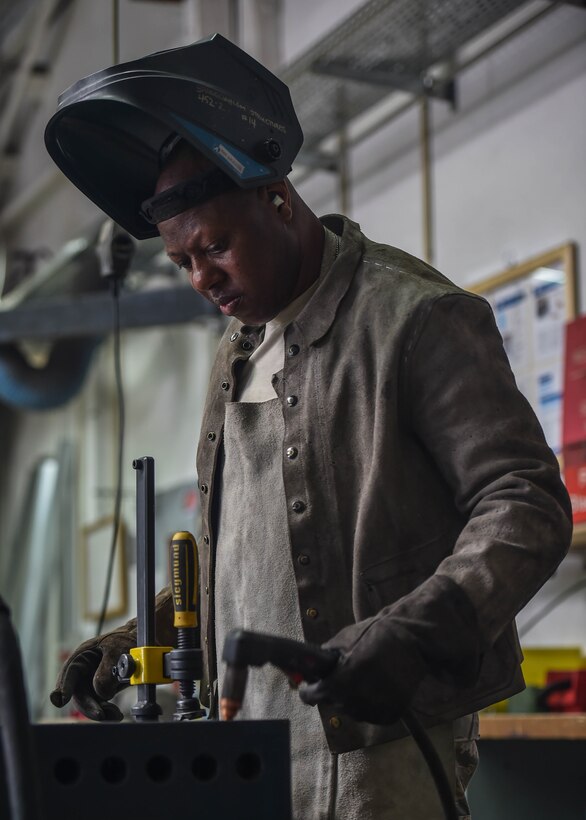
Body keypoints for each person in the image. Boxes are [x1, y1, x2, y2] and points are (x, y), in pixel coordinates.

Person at [47, 35, 572, 819]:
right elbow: (242, 564)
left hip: (380, 747)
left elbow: (526, 502)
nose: (203, 279)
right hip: (251, 746)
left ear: (277, 200)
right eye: (183, 262)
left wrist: (417, 631)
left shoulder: (413, 318)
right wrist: (136, 640)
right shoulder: (236, 354)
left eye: (216, 246)